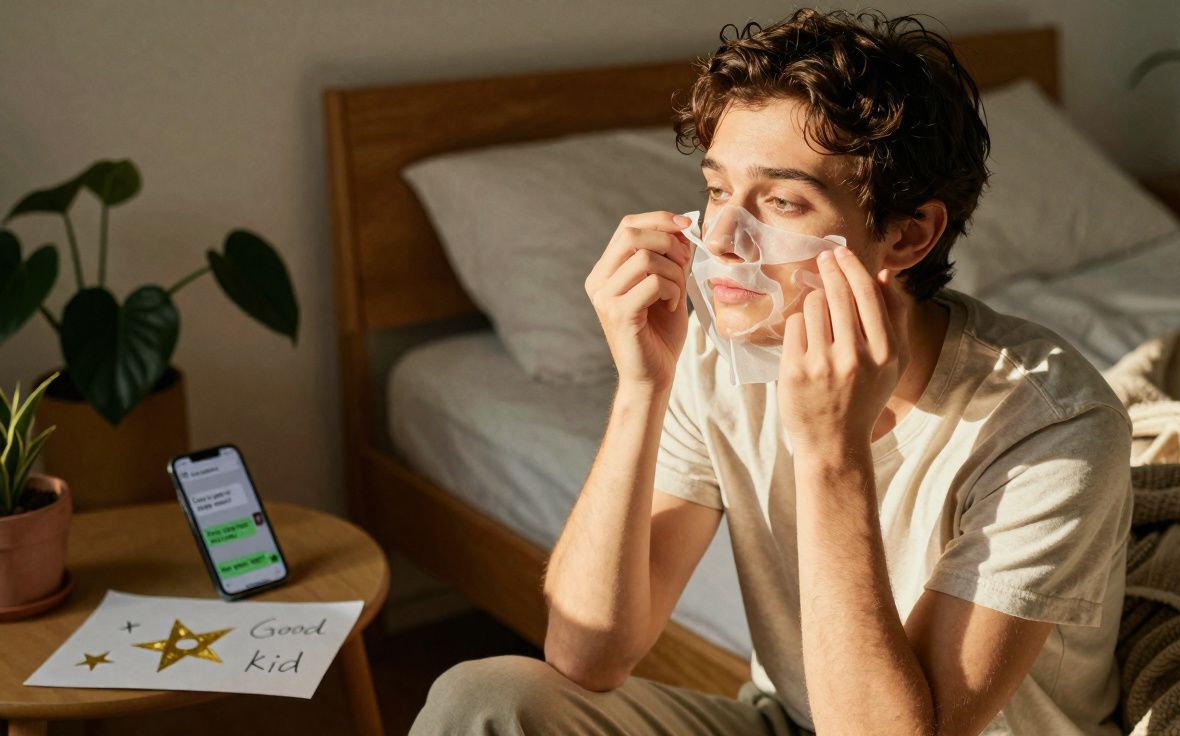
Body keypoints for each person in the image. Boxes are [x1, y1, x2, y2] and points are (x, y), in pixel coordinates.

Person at [411, 7, 1132, 735]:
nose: (719, 239)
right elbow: (586, 655)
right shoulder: (721, 358)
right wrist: (641, 389)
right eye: (717, 190)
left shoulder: (1054, 427)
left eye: (781, 201)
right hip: (792, 722)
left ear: (909, 234)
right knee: (486, 697)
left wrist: (831, 452)